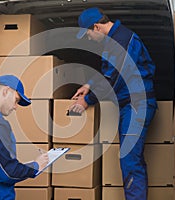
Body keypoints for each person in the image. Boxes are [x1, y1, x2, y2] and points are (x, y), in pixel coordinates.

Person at [70, 7, 157, 200]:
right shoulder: (114, 42)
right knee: (130, 159)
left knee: (129, 160)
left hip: (137, 105)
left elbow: (114, 80)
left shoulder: (122, 41)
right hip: (131, 104)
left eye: (88, 34)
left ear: (96, 27)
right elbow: (110, 73)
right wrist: (89, 84)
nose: (89, 38)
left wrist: (87, 100)